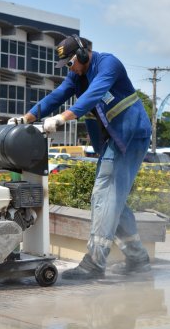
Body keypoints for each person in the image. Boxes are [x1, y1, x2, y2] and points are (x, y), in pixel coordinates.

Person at [8, 34, 152, 279]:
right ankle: (138, 259)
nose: (69, 69)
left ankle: (95, 264)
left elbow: (93, 95)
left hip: (130, 134)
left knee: (104, 193)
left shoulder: (109, 64)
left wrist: (63, 118)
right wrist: (27, 118)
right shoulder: (77, 75)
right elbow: (57, 95)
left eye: (70, 63)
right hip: (114, 139)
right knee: (112, 197)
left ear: (84, 54)